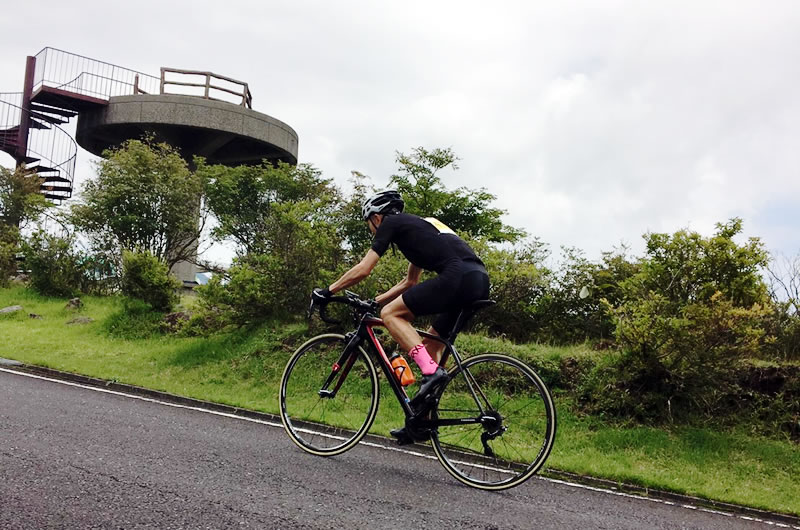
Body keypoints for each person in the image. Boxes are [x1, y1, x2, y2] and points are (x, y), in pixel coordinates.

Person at [311, 189, 490, 444]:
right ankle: (421, 423)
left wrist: (328, 291)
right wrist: (375, 301)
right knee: (431, 345)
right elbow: (410, 281)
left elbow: (364, 269)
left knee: (391, 315)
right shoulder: (418, 229)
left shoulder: (392, 223)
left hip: (457, 276)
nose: (371, 230)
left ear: (377, 217)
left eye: (369, 224)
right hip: (478, 279)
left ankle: (431, 373)